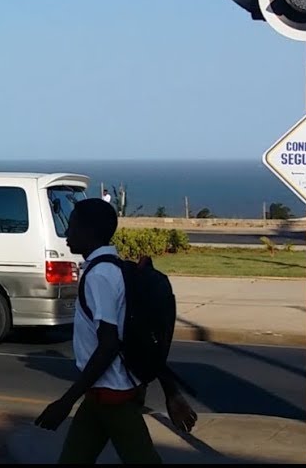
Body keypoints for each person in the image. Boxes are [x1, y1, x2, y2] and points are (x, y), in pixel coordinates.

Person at [35, 198, 197, 463]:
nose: (66, 234)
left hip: (113, 396)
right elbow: (135, 336)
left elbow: (110, 344)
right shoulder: (116, 268)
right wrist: (171, 392)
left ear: (89, 231)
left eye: (72, 227)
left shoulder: (99, 277)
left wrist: (66, 401)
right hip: (103, 393)